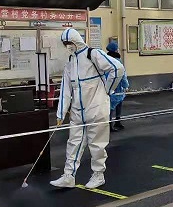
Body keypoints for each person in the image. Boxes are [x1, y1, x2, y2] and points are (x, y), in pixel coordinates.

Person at [51, 29, 125, 190]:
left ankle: (98, 175)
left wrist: (108, 89)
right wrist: (61, 113)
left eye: (69, 43)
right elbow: (66, 89)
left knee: (97, 144)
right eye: (65, 44)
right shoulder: (71, 61)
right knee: (73, 143)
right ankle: (68, 176)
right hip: (78, 111)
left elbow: (117, 68)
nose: (68, 46)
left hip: (96, 107)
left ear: (76, 40)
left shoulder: (93, 54)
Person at [106, 41, 129, 132]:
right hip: (117, 85)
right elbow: (122, 74)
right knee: (115, 104)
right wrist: (126, 85)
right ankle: (115, 122)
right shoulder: (117, 61)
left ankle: (111, 123)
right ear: (115, 50)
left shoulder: (106, 59)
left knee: (111, 105)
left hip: (108, 85)